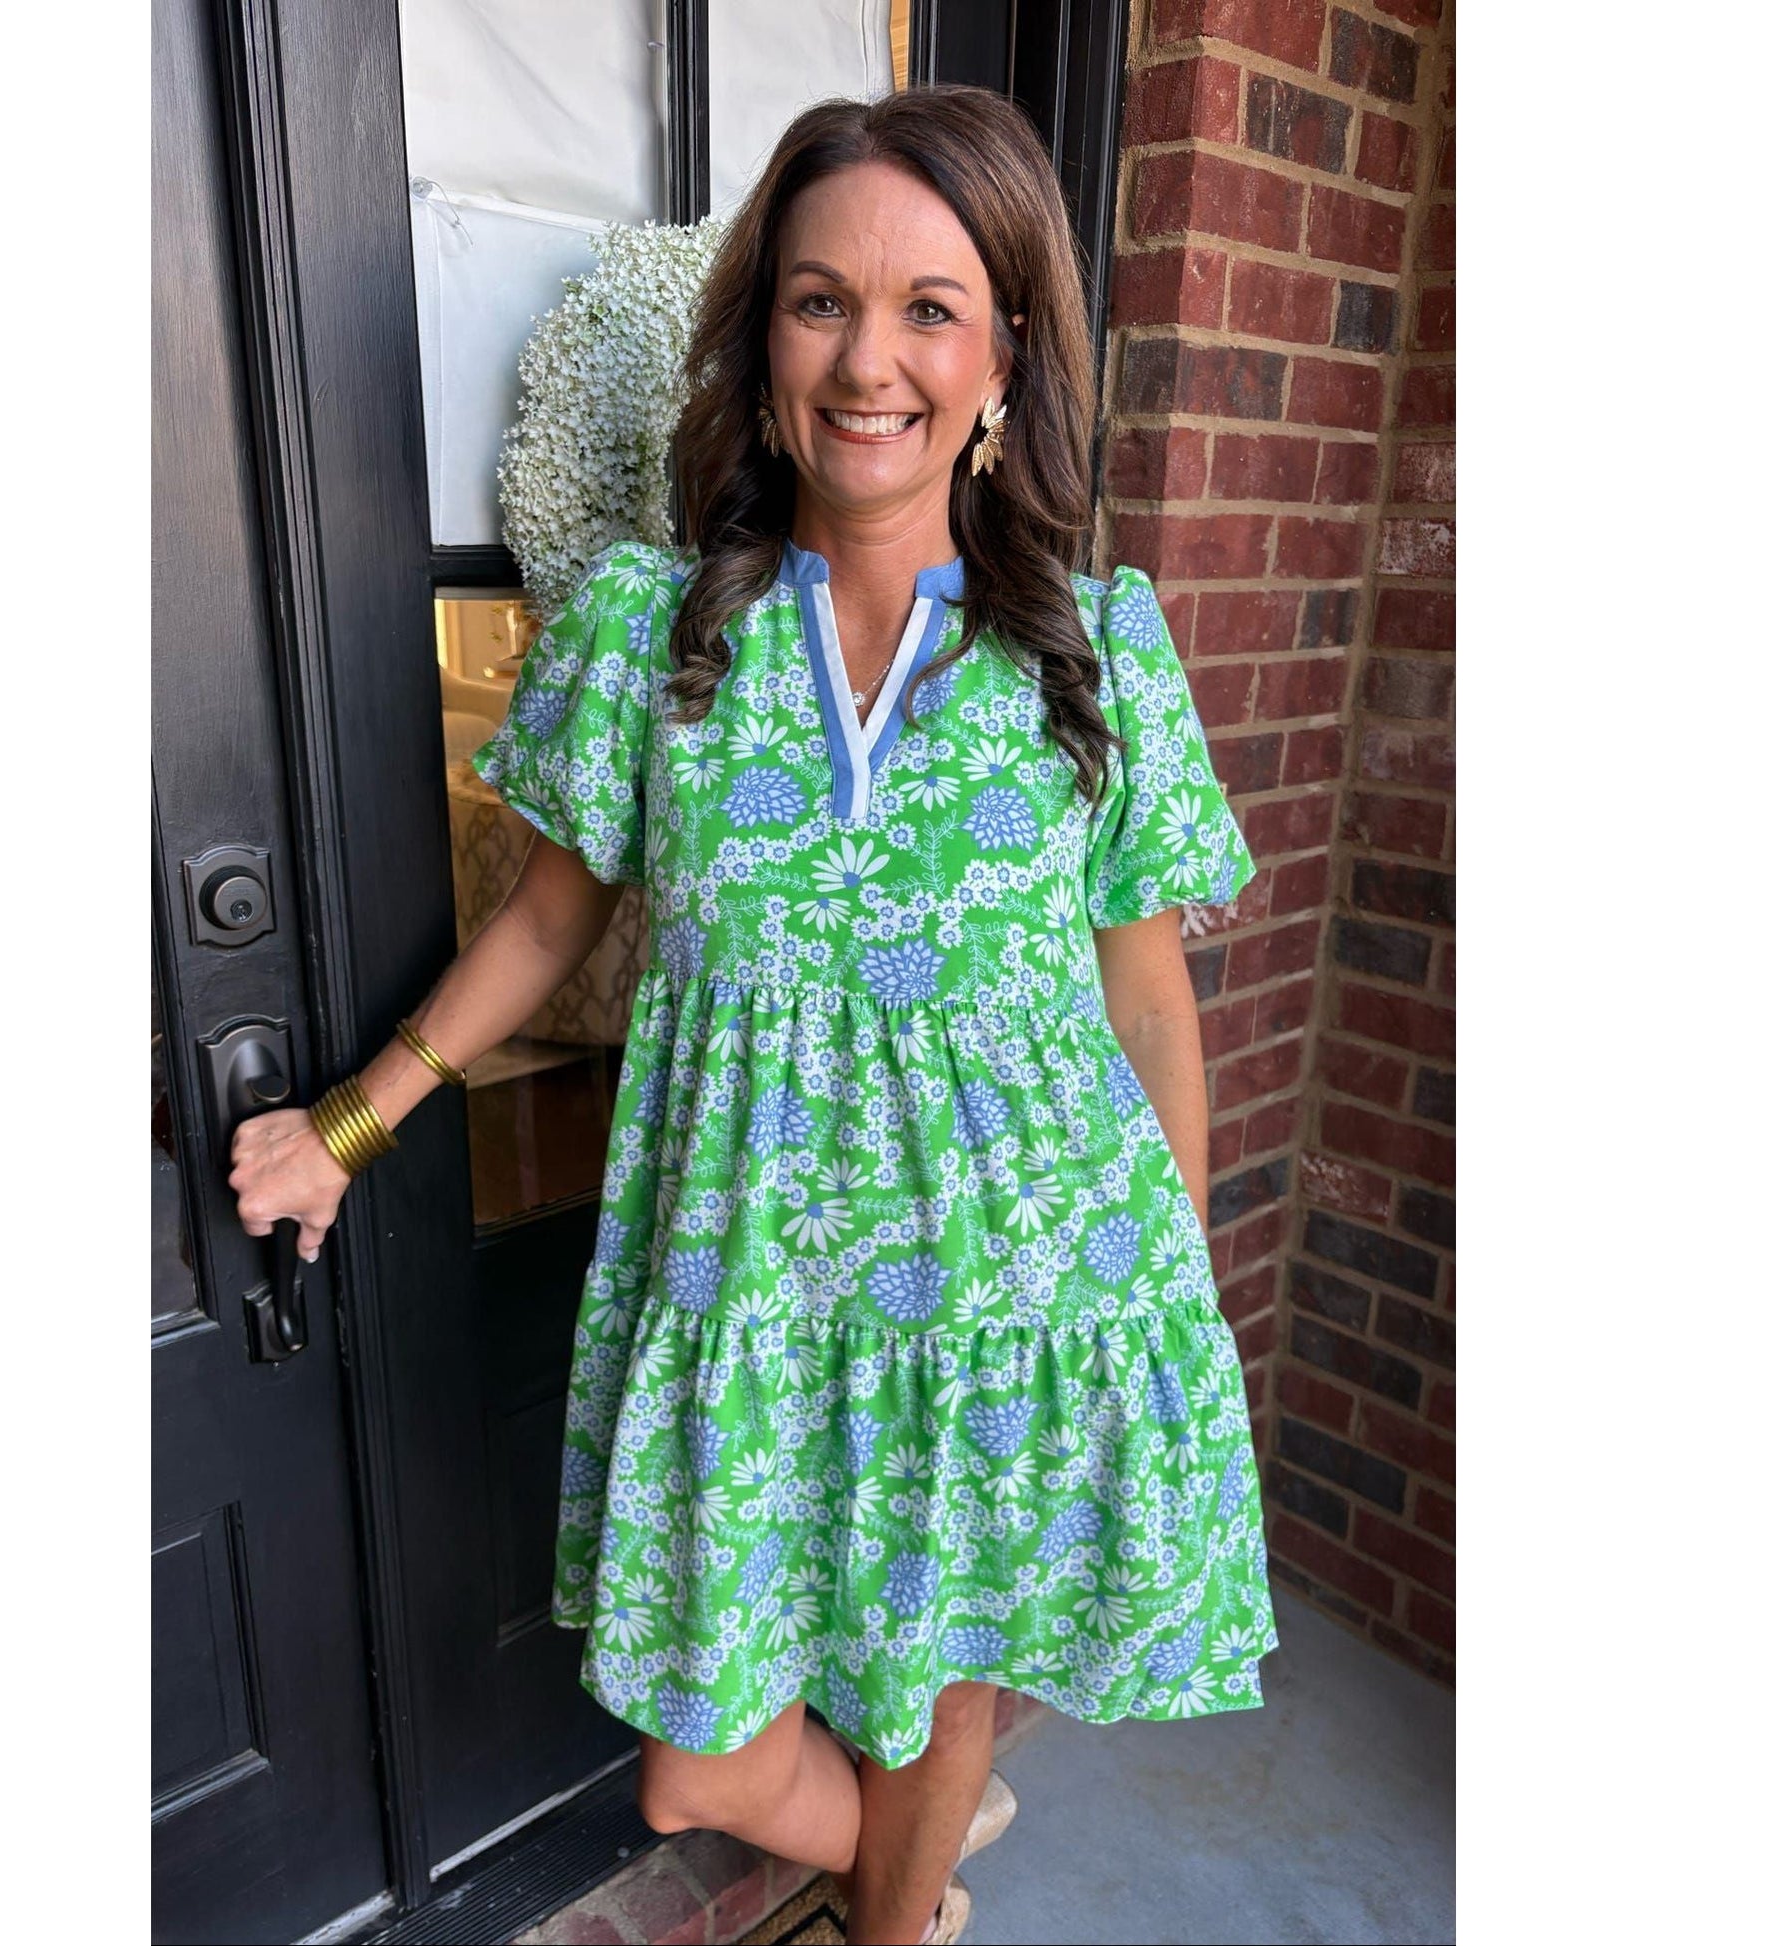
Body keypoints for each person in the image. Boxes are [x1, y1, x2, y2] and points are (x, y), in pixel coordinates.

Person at [230, 84, 1279, 1946]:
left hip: (1015, 1295)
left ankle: (894, 1914)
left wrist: (1164, 1278)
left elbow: (1144, 980)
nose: (868, 359)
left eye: (928, 308)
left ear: (1006, 355)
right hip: (757, 1301)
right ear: (762, 336)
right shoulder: (657, 631)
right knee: (697, 1767)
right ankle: (915, 1871)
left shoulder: (1092, 654)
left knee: (945, 1671)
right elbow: (548, 919)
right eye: (817, 301)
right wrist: (351, 1123)